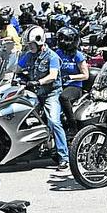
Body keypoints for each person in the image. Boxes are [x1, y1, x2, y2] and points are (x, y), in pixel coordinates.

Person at [19, 26, 69, 171]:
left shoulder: (52, 56)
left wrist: (38, 82)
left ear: (39, 41)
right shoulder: (29, 55)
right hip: (34, 93)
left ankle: (64, 157)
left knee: (54, 121)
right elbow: (16, 67)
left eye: (31, 44)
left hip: (51, 93)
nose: (29, 46)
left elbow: (53, 75)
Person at [54, 25, 90, 123]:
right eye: (60, 39)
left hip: (75, 86)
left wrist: (70, 77)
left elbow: (85, 75)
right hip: (59, 84)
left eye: (65, 39)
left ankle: (72, 124)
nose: (62, 42)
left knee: (63, 97)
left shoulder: (78, 55)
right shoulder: (58, 53)